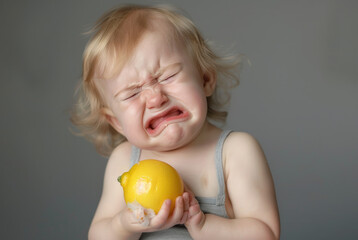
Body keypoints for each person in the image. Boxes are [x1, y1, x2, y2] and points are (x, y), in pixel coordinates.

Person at [71, 4, 280, 240]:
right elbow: (98, 235)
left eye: (168, 76)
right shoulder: (124, 162)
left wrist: (202, 224)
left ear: (205, 79)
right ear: (115, 121)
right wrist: (125, 225)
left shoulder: (235, 152)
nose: (155, 98)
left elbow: (266, 234)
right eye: (131, 94)